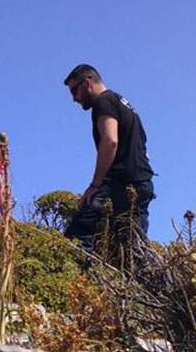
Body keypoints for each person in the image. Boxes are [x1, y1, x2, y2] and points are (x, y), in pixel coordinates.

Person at [62, 64, 155, 250]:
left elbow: (110, 140)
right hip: (141, 181)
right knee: (129, 245)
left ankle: (80, 277)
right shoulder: (123, 103)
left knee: (79, 234)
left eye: (74, 91)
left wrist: (95, 185)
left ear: (87, 83)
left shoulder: (104, 102)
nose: (74, 98)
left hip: (121, 183)